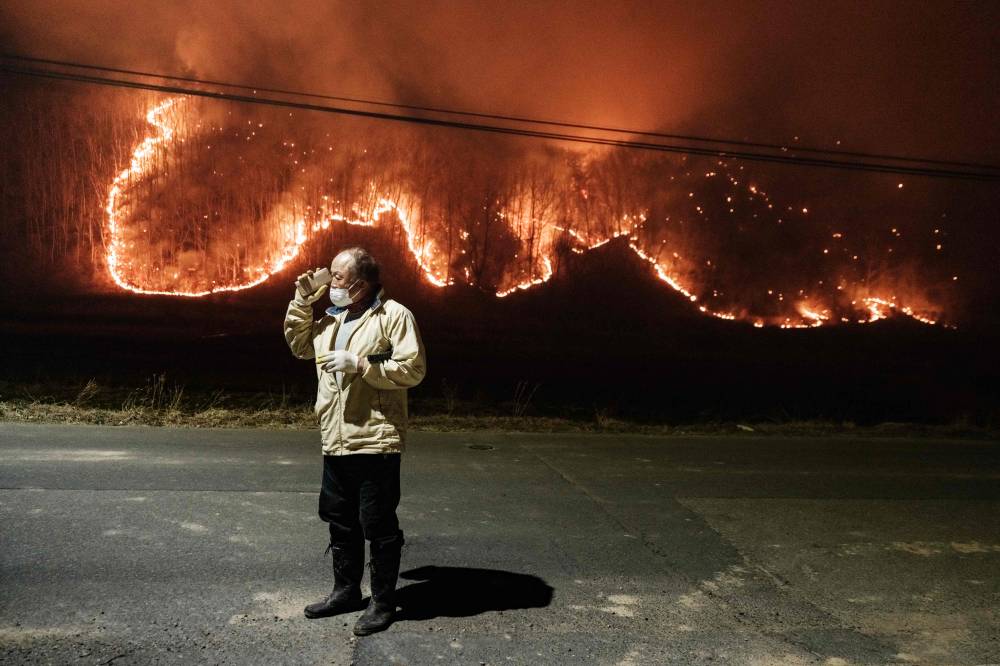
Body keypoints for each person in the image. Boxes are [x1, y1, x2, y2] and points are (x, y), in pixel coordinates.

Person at [284, 247, 427, 635]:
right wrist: (302, 299)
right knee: (339, 519)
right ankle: (346, 591)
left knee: (377, 523)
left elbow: (412, 369)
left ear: (361, 283)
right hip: (336, 436)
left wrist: (363, 364)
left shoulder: (394, 316)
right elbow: (298, 345)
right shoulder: (332, 319)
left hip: (375, 438)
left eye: (338, 277)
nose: (331, 283)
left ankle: (382, 602)